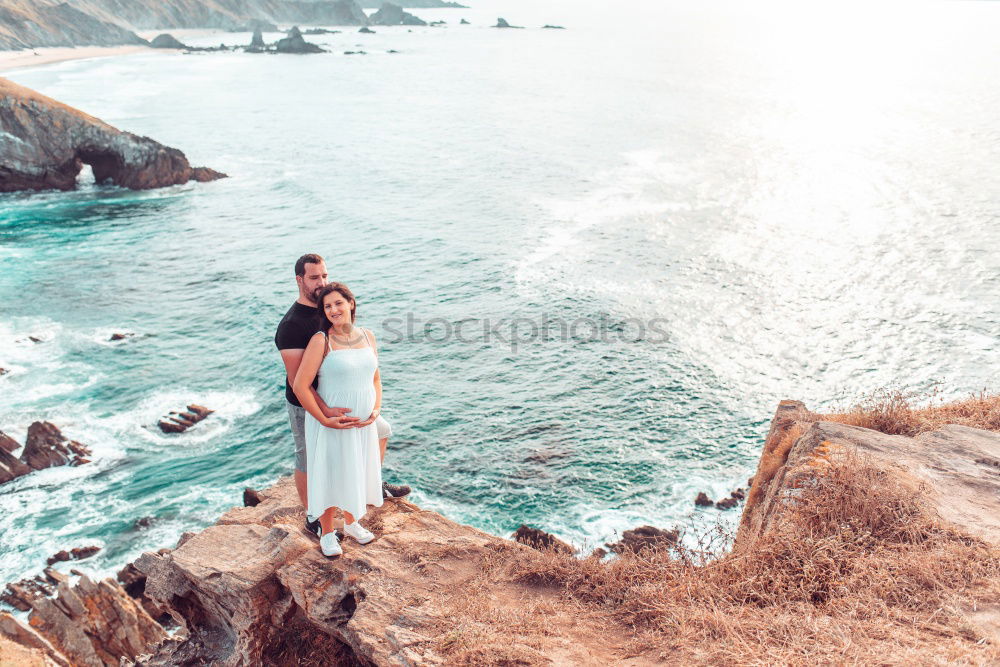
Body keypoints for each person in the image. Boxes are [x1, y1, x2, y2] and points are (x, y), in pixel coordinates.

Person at [274, 254, 408, 537]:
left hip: (335, 392)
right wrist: (325, 413)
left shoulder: (333, 312)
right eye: (314, 278)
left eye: (324, 275)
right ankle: (314, 514)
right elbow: (299, 380)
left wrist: (370, 404)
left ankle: (367, 482)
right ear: (299, 280)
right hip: (304, 402)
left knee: (380, 429)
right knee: (307, 457)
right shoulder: (292, 326)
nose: (321, 282)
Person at [293, 282, 382, 556]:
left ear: (351, 304)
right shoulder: (322, 340)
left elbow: (375, 378)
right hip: (331, 424)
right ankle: (328, 533)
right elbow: (300, 385)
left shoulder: (368, 335)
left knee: (355, 469)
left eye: (338, 303)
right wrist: (323, 419)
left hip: (362, 424)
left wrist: (375, 410)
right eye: (327, 306)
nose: (333, 309)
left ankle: (353, 523)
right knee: (330, 472)